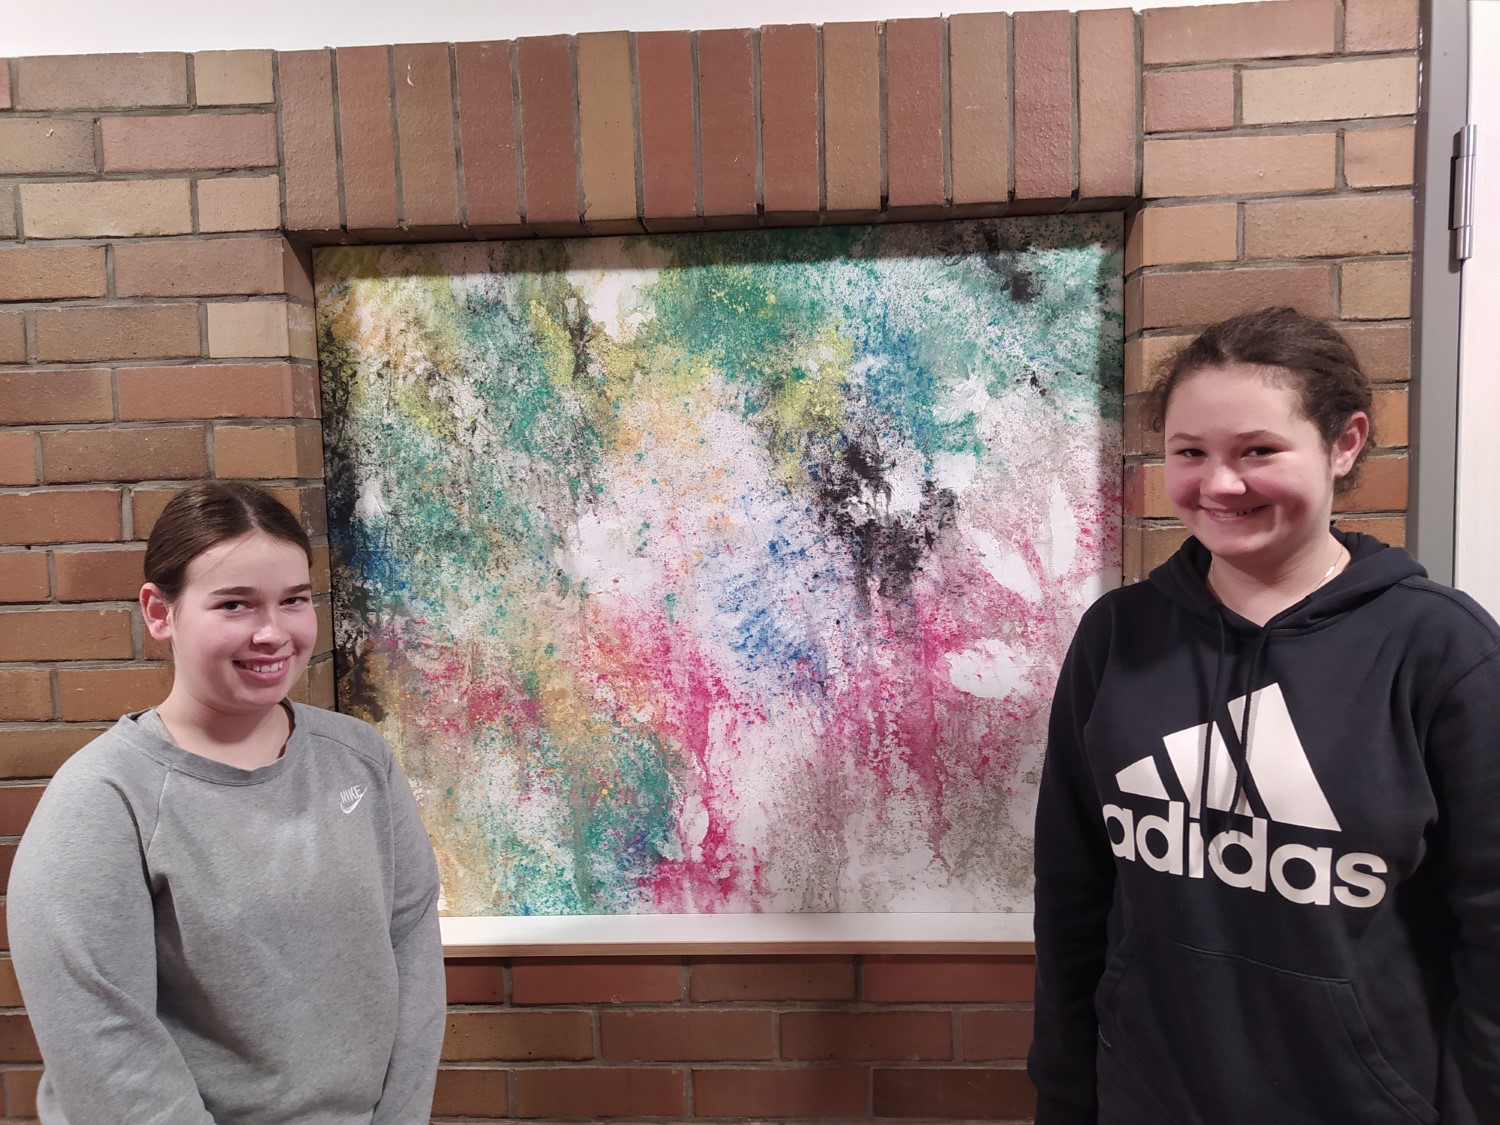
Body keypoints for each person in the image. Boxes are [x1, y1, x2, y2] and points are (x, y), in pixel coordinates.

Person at [1028, 306, 1500, 1124]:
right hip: (1144, 1098)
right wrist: (1066, 1092)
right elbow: (1072, 892)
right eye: (1190, 453)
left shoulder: (1442, 651)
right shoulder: (1116, 636)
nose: (1219, 484)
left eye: (1257, 451)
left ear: (1344, 442)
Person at [8, 481, 446, 1124]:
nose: (273, 633)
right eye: (235, 604)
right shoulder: (104, 798)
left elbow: (412, 951)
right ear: (160, 613)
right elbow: (105, 1049)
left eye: (293, 600)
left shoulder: (361, 759)